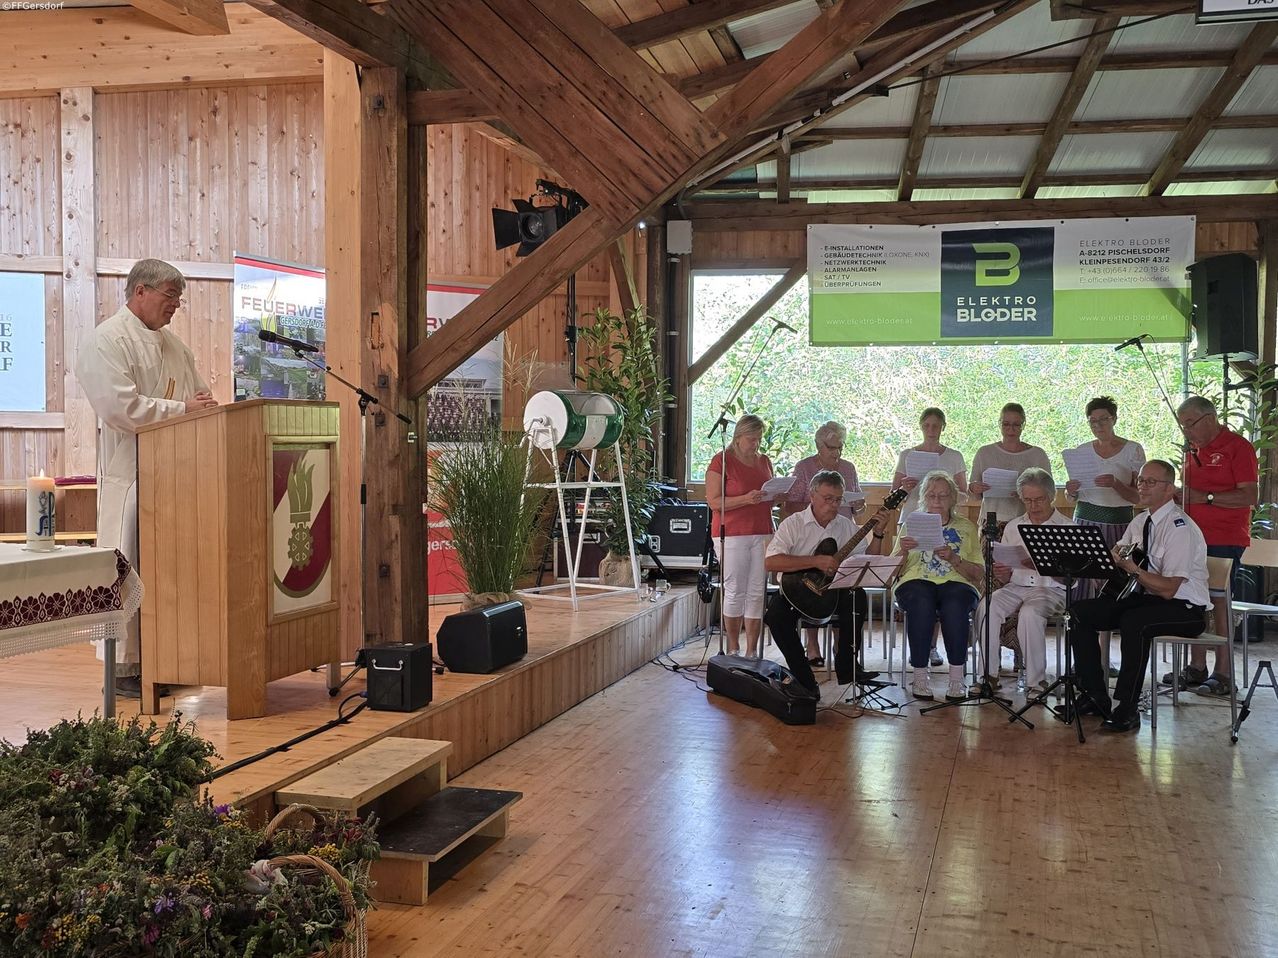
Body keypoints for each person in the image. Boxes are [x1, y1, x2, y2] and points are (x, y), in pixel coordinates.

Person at [76, 258, 219, 697]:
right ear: (140, 292)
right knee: (129, 567)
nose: (176, 305)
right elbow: (120, 409)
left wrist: (200, 410)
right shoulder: (106, 341)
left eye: (178, 298)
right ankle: (123, 671)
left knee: (170, 572)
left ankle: (164, 657)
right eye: (169, 296)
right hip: (132, 477)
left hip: (177, 477)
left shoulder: (175, 346)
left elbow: (200, 398)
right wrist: (181, 411)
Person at [1067, 460, 1209, 733]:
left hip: (1185, 608)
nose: (1142, 486)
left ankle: (1127, 707)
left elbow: (1169, 589)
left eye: (1150, 482)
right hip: (1151, 600)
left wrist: (1130, 568)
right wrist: (1104, 564)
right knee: (1080, 612)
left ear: (1170, 490)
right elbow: (1117, 554)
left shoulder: (1180, 528)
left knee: (1134, 621)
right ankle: (1095, 695)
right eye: (1141, 480)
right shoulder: (1141, 520)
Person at [764, 470, 887, 696]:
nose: (833, 505)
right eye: (827, 498)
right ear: (812, 496)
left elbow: (867, 560)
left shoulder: (845, 525)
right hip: (796, 593)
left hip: (832, 593)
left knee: (856, 595)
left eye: (838, 500)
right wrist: (815, 561)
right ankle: (804, 679)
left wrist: (878, 534)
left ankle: (848, 666)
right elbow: (771, 562)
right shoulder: (793, 524)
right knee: (775, 616)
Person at [1168, 396, 1258, 697]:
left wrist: (1204, 497)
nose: (1187, 431)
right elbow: (1189, 496)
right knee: (1192, 599)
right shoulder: (1191, 452)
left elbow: (1248, 496)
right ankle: (1196, 666)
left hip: (1224, 537)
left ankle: (1223, 673)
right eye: (1183, 426)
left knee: (1218, 602)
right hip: (1191, 538)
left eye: (1190, 424)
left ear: (1209, 418)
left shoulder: (1238, 447)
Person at [975, 467, 1071, 697]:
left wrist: (1039, 565)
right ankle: (988, 676)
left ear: (1051, 497)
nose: (1033, 505)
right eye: (1027, 500)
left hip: (1052, 590)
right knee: (987, 606)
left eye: (1039, 499)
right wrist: (1002, 572)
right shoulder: (1013, 526)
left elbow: (1071, 579)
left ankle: (1036, 683)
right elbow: (1009, 575)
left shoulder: (1067, 527)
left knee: (1030, 613)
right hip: (1016, 586)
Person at [894, 470, 983, 702]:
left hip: (957, 582)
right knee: (921, 600)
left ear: (953, 499)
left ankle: (956, 677)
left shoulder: (967, 527)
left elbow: (979, 573)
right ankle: (921, 675)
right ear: (923, 497)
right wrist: (903, 551)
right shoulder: (911, 523)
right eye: (932, 496)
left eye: (943, 496)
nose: (937, 501)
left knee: (955, 603)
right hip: (915, 581)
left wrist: (955, 559)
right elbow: (893, 570)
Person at [784, 420, 866, 666]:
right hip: (812, 536)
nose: (836, 453)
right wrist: (821, 504)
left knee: (842, 588)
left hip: (843, 535)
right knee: (813, 587)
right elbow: (790, 506)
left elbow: (857, 508)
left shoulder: (848, 469)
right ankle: (812, 644)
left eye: (840, 447)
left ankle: (843, 647)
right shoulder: (804, 468)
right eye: (831, 447)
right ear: (819, 446)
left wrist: (858, 506)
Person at [893, 408, 967, 668]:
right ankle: (922, 646)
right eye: (927, 424)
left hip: (946, 522)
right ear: (921, 426)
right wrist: (906, 488)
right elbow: (894, 493)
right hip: (913, 520)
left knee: (941, 575)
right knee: (918, 577)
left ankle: (934, 648)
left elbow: (965, 494)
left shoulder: (954, 456)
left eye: (936, 425)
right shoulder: (908, 455)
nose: (931, 429)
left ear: (943, 426)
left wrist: (945, 493)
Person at [705, 414, 778, 658]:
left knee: (757, 590)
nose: (755, 443)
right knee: (735, 588)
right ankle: (734, 647)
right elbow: (714, 501)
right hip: (733, 532)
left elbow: (769, 493)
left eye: (759, 439)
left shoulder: (764, 461)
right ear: (737, 437)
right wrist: (746, 499)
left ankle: (752, 650)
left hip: (762, 530)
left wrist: (776, 495)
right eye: (751, 438)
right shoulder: (722, 461)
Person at [1063, 396, 1145, 602]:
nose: (1098, 425)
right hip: (1085, 519)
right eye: (1093, 421)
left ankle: (1112, 626)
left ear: (1114, 419)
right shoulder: (1081, 451)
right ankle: (1080, 624)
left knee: (1117, 575)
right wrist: (1070, 491)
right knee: (1081, 574)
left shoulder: (1132, 450)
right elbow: (1071, 497)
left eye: (1103, 419)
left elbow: (1138, 496)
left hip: (1120, 522)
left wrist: (1116, 484)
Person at [968, 403, 1051, 525]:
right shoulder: (984, 453)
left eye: (1016, 425)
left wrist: (1026, 496)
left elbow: (1049, 494)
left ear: (1023, 425)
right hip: (992, 520)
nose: (1010, 429)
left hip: (1028, 520)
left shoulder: (1038, 455)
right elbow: (972, 495)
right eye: (1006, 424)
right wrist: (974, 488)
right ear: (999, 424)